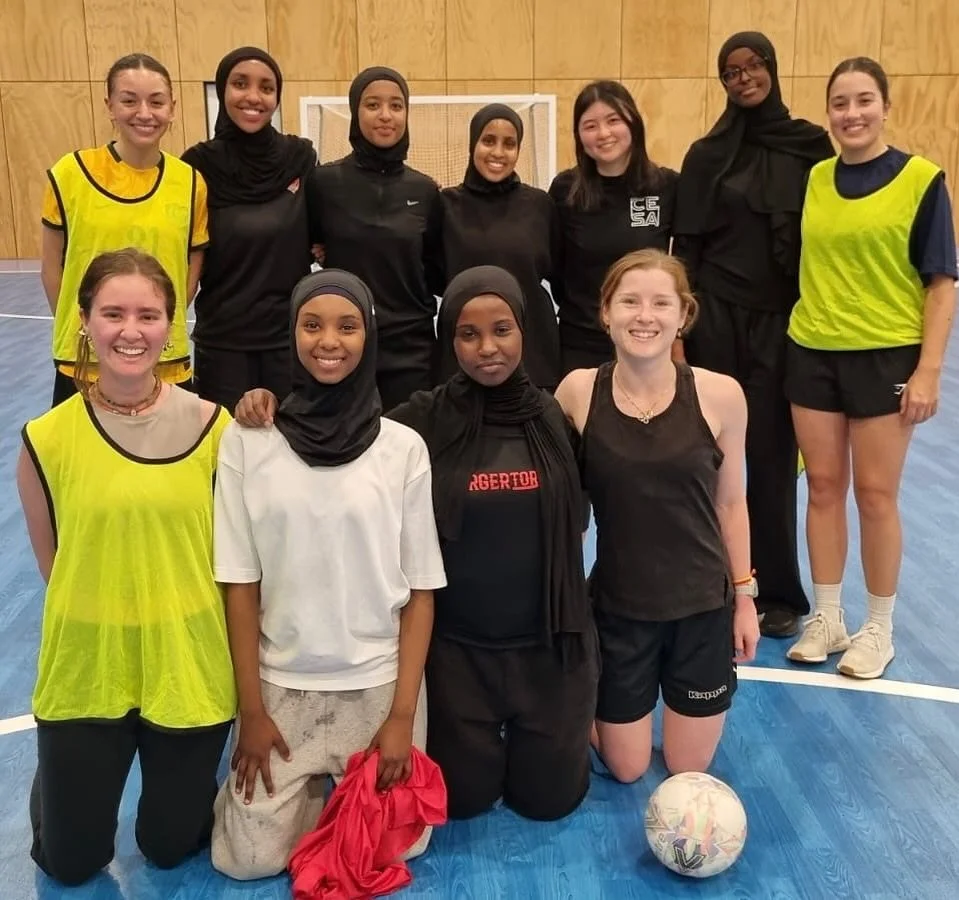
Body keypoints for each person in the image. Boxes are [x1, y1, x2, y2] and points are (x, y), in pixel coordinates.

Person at [210, 270, 446, 880]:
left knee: (397, 849)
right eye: (311, 325)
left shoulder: (402, 448)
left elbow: (420, 593)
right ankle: (315, 793)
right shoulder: (248, 441)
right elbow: (240, 583)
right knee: (247, 863)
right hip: (282, 685)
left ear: (370, 336)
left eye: (347, 326)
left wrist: (400, 719)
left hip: (377, 684)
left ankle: (331, 789)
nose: (328, 341)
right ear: (291, 335)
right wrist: (251, 710)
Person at [16, 248, 236, 887]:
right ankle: (59, 782)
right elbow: (54, 566)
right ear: (85, 320)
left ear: (172, 323)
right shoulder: (45, 439)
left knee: (169, 847)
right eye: (113, 313)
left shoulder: (216, 429)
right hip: (91, 663)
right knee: (71, 862)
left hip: (186, 660)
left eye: (148, 314)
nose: (131, 330)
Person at [386, 266, 597, 820]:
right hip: (459, 654)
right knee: (463, 802)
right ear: (449, 339)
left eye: (501, 330)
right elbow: (344, 437)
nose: (487, 348)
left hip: (549, 647)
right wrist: (264, 413)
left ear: (524, 331)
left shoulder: (555, 417)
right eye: (468, 334)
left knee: (549, 802)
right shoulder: (421, 421)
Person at [555, 249, 759, 783]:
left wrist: (744, 600)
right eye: (630, 302)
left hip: (700, 609)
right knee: (627, 768)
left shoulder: (721, 395)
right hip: (621, 608)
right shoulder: (577, 392)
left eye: (660, 303)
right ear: (606, 312)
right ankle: (576, 707)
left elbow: (731, 503)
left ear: (682, 314)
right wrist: (564, 604)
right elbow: (566, 510)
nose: (645, 316)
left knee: (688, 767)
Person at [784, 57, 957, 679]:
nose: (851, 114)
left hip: (886, 354)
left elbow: (941, 282)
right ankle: (827, 617)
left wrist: (929, 368)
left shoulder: (921, 180)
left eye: (863, 101)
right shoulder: (815, 179)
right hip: (812, 349)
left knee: (876, 494)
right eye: (839, 103)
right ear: (827, 112)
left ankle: (878, 626)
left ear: (886, 106)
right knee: (824, 488)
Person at [673, 32, 835, 639]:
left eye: (753, 66)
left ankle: (780, 593)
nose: (744, 79)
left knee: (770, 454)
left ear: (771, 68)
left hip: (780, 325)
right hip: (714, 320)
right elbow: (684, 247)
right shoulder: (707, 154)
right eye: (731, 71)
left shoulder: (810, 149)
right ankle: (713, 582)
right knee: (709, 455)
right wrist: (681, 332)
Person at [41, 54, 208, 407]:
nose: (144, 113)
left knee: (167, 459)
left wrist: (153, 325)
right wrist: (93, 329)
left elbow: (190, 269)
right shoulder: (70, 174)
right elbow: (52, 267)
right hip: (85, 362)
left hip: (164, 359)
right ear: (110, 106)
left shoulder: (190, 182)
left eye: (157, 101)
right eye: (129, 100)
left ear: (172, 107)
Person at [182, 47, 317, 412]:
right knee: (228, 456)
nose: (253, 97)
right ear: (223, 90)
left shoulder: (300, 158)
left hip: (288, 340)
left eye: (266, 87)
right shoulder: (197, 165)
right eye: (240, 84)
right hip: (223, 343)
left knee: (293, 452)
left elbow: (326, 225)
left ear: (277, 97)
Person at [306, 67, 442, 411]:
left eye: (396, 106)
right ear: (356, 112)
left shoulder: (425, 190)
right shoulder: (324, 182)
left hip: (412, 350)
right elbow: (305, 244)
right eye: (373, 105)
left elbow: (436, 269)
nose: (385, 116)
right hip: (343, 345)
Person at [549, 81, 677, 374]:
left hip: (648, 340)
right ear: (579, 136)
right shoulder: (565, 190)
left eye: (613, 120)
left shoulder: (667, 186)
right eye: (590, 125)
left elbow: (685, 263)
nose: (604, 134)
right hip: (582, 340)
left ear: (633, 122)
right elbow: (556, 267)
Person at [434, 105, 561, 390]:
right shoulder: (445, 205)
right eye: (488, 140)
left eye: (509, 144)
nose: (498, 153)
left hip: (533, 354)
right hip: (464, 355)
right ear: (473, 144)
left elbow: (561, 270)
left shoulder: (540, 205)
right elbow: (429, 272)